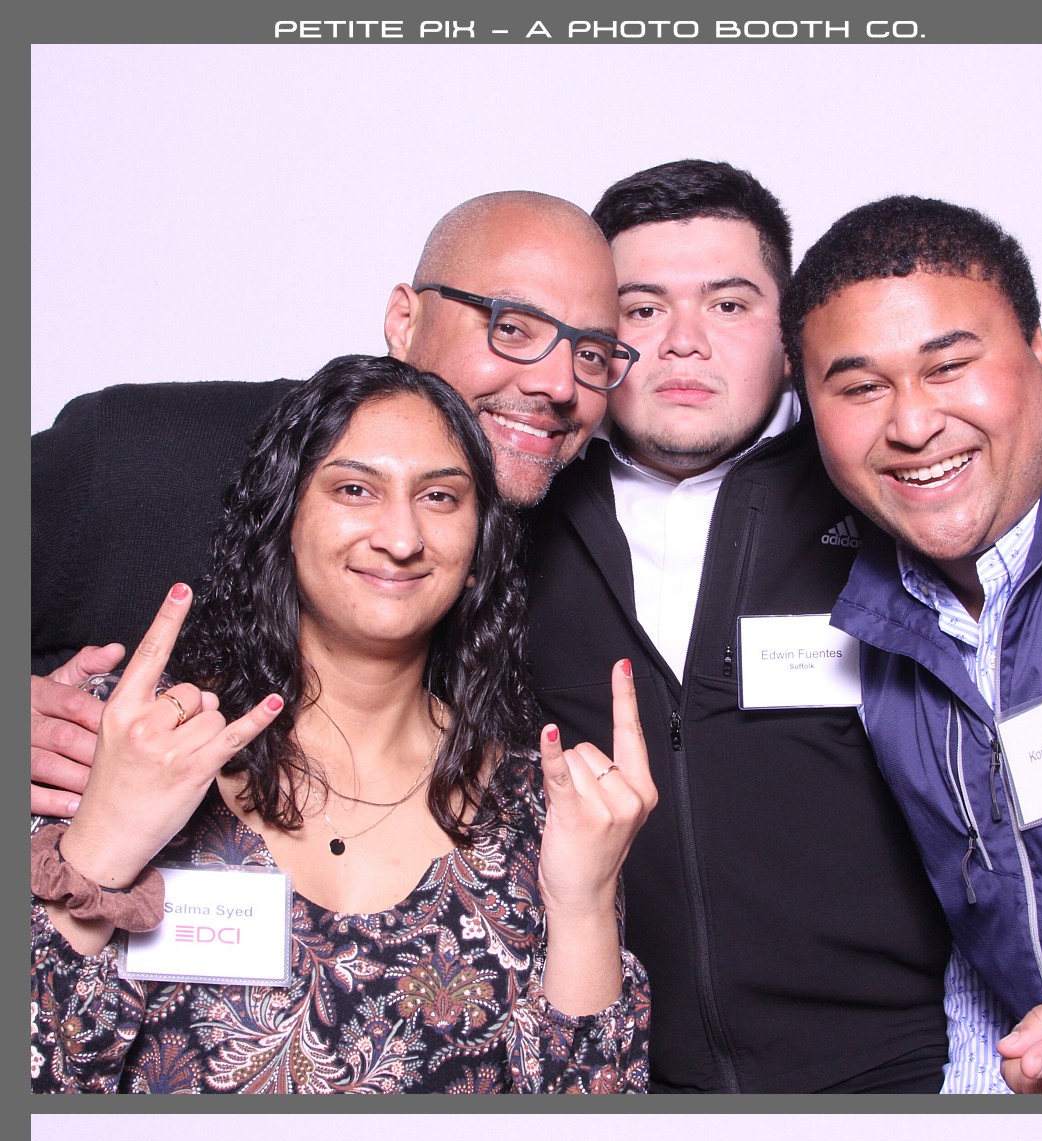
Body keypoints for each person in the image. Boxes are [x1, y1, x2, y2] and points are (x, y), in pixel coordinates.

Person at [32, 358, 653, 1100]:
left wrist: (584, 905)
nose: (401, 537)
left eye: (440, 497)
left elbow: (584, 1121)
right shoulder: (129, 739)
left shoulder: (545, 812)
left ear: (479, 553)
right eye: (355, 489)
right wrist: (101, 848)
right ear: (284, 521)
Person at [525, 154, 950, 1095]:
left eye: (728, 304)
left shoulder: (897, 488)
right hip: (620, 1067)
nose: (684, 343)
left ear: (791, 335)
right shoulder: (511, 510)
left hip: (893, 1069)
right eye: (642, 309)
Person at [32, 185, 631, 768]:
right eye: (513, 327)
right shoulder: (136, 452)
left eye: (592, 354)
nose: (560, 385)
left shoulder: (585, 546)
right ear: (404, 321)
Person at [785, 197, 1042, 1102]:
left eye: (949, 366)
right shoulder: (869, 597)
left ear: (1041, 355)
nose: (913, 424)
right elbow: (986, 905)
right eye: (861, 389)